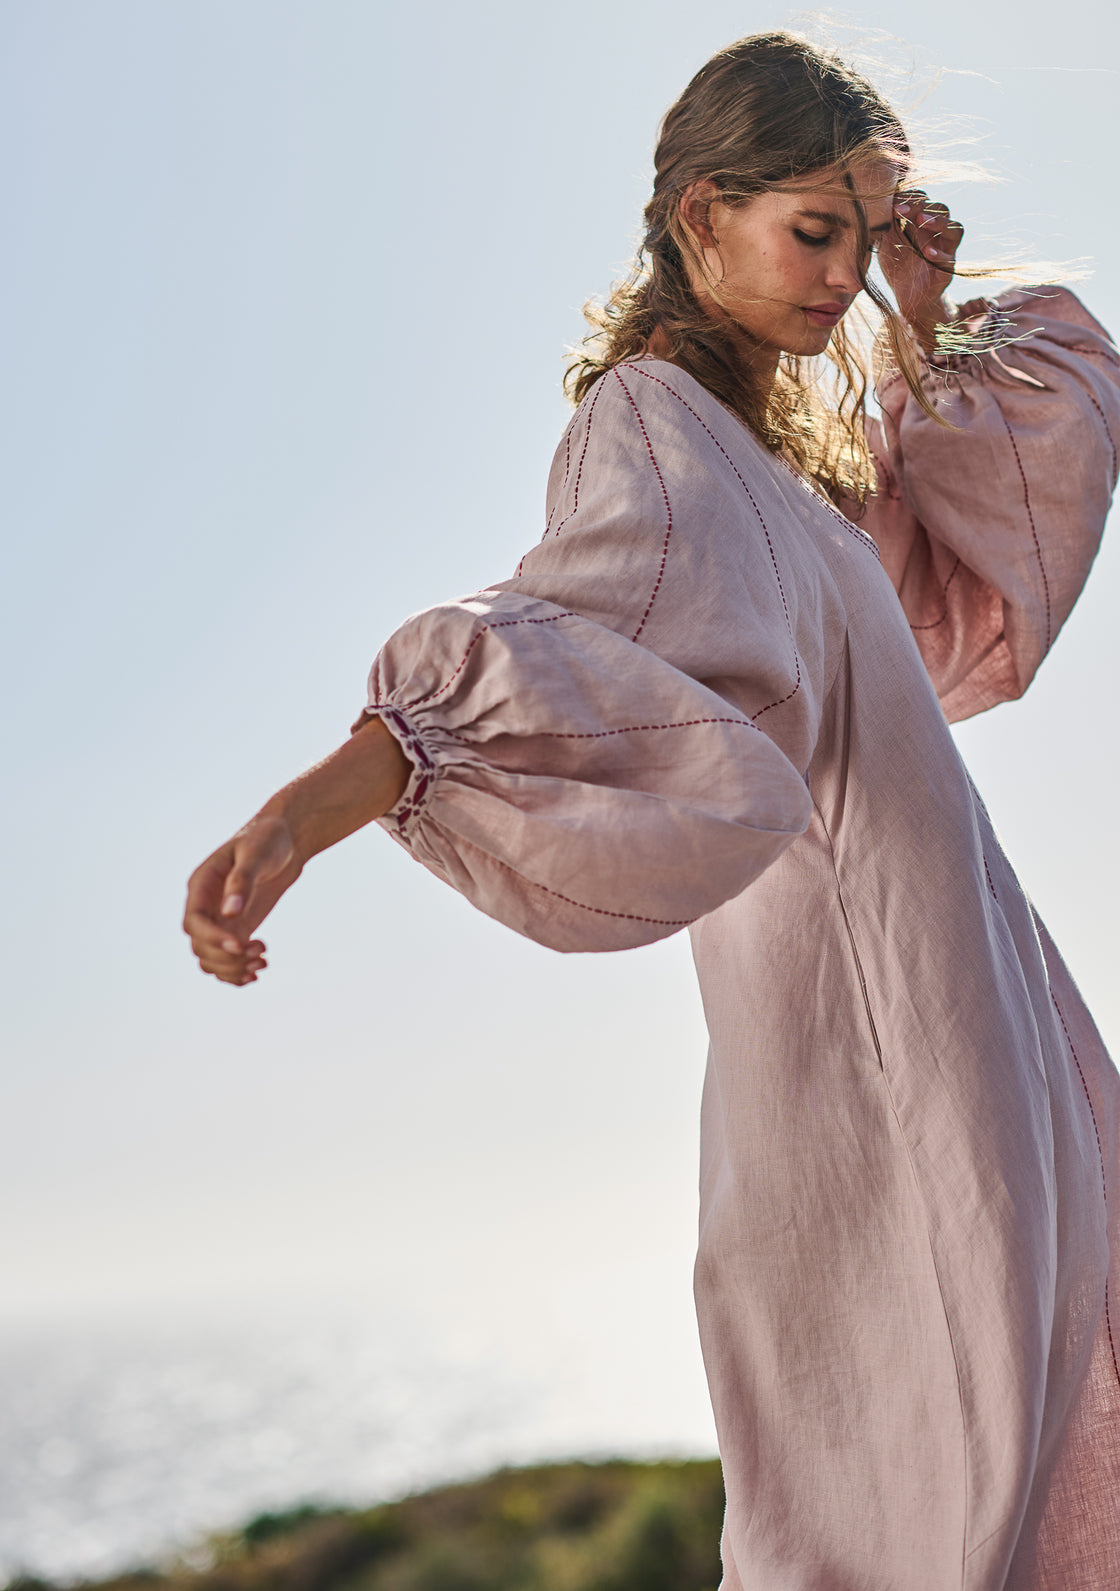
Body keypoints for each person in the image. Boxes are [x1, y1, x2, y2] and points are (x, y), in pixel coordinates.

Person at [183, 32, 1120, 1590]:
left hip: (967, 981)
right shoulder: (658, 427)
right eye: (813, 230)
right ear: (699, 219)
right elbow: (585, 626)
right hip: (872, 1019)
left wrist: (923, 314)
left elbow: (972, 595)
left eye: (864, 230)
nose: (839, 273)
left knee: (1008, 1430)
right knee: (902, 1468)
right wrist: (325, 799)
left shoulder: (783, 459)